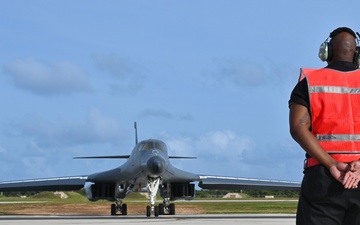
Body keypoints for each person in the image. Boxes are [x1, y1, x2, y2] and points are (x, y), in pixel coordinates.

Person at [289, 27, 360, 225]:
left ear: (326, 52)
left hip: (323, 179)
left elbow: (298, 128)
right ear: (357, 54)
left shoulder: (310, 82)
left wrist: (331, 164)